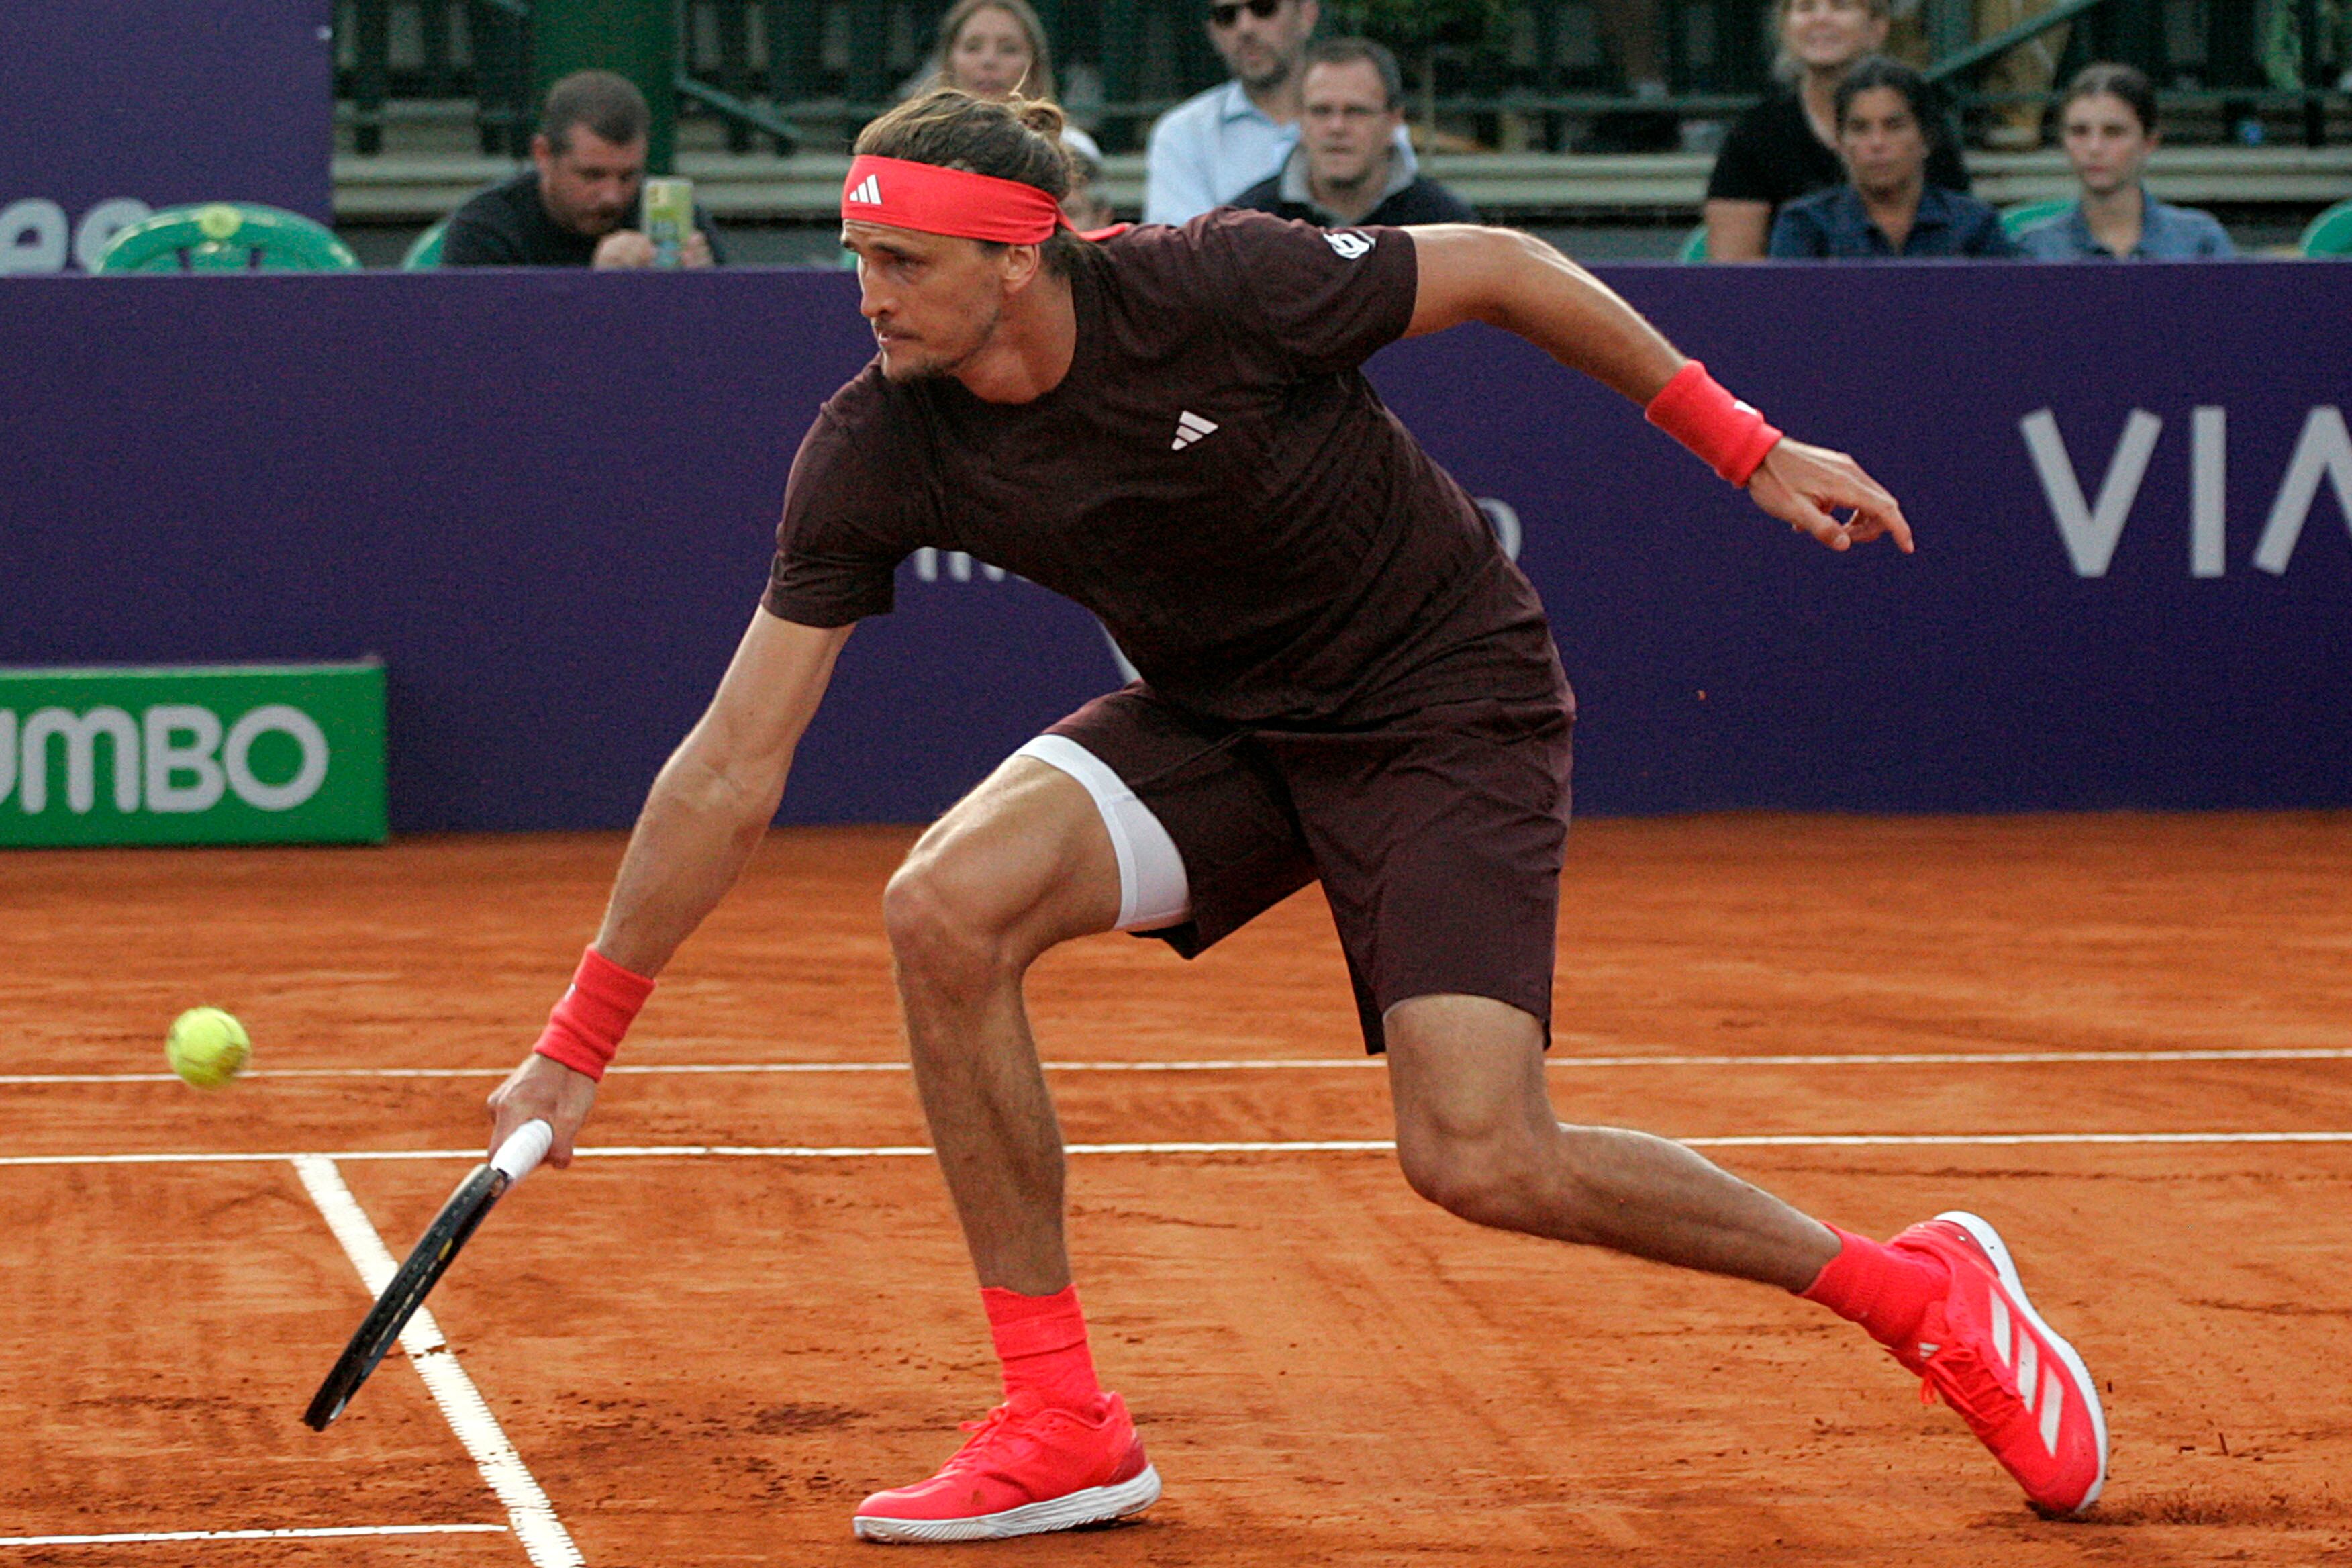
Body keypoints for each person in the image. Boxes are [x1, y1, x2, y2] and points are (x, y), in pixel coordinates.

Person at [486, 86, 2105, 1545]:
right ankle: (1060, 1417)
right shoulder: (874, 441)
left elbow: (1499, 268)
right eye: (863, 261)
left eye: (905, 263)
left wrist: (1738, 441)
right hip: (1223, 720)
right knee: (941, 906)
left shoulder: (1214, 283)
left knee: (1478, 1153)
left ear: (1018, 257)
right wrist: (581, 1033)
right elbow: (729, 758)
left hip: (1435, 699)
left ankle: (1918, 1292)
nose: (870, 297)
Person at [1704, 0, 1971, 261]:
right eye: (1806, 7)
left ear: (1877, 27)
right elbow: (1733, 269)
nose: (1821, 18)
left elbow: (1962, 241)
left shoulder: (1921, 129)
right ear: (1785, 28)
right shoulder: (1754, 135)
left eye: (1841, 6)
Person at [1143, 0, 1410, 227]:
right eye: (1227, 16)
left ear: (1307, 14)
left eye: (1264, 8)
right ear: (1213, 33)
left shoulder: (1369, 122)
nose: (1245, 28)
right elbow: (1184, 261)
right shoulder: (1183, 134)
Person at [442, 71, 723, 268]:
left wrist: (703, 290)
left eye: (628, 176)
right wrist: (594, 288)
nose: (612, 196)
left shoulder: (673, 220)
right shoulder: (488, 228)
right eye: (592, 176)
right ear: (543, 155)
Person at [1771, 57, 2014, 258]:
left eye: (1894, 126)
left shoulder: (1975, 224)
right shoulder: (1805, 226)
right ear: (1840, 143)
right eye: (1860, 128)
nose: (1877, 143)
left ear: (1926, 138)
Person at [1231, 40, 1477, 227]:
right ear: (1299, 119)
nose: (1337, 126)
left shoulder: (1444, 224)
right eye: (1321, 111)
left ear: (1394, 122)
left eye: (1356, 111)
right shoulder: (1248, 224)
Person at [2018, 64, 2234, 261]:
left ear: (2149, 142)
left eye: (2114, 132)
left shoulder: (2200, 242)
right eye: (2079, 132)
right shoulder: (2035, 248)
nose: (2094, 148)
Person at [925, 0, 1103, 164]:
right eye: (973, 47)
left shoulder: (1073, 151)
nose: (989, 61)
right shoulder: (921, 147)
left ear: (1034, 63)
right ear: (949, 60)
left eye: (1008, 49)